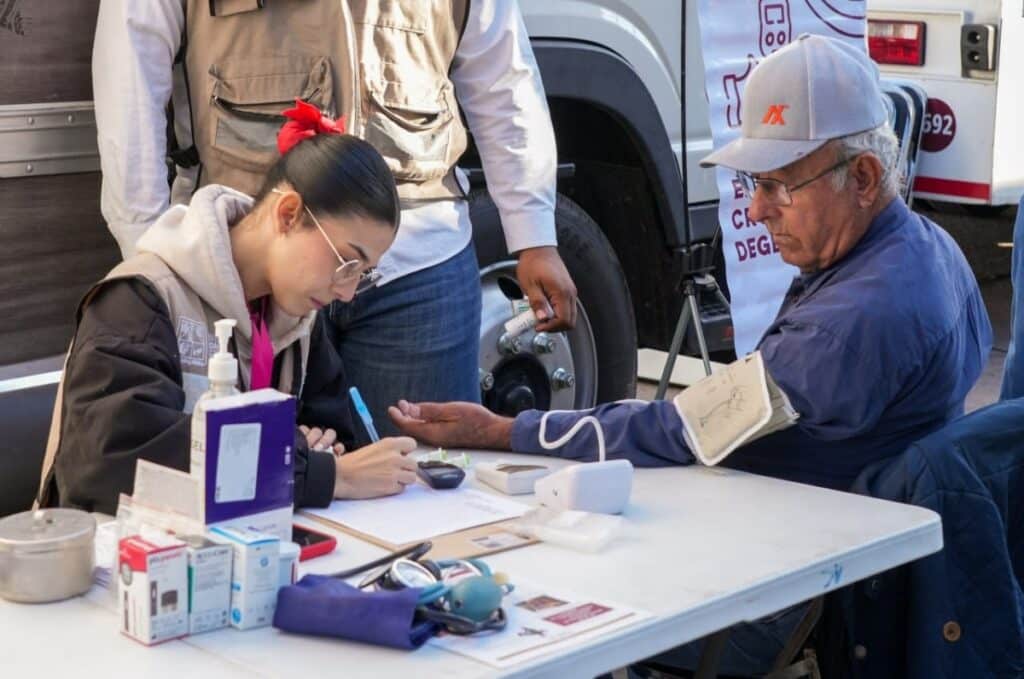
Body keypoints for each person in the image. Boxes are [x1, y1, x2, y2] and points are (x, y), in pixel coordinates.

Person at [388, 35, 992, 675]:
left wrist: (510, 431)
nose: (758, 210)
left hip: (792, 586)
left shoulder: (855, 321)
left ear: (863, 178)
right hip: (831, 546)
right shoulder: (928, 249)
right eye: (753, 185)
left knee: (536, 617)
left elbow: (683, 428)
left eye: (777, 186)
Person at [91, 0, 578, 440]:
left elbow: (503, 76)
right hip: (246, 278)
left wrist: (534, 234)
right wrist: (155, 265)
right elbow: (130, 76)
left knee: (418, 495)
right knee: (243, 503)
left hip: (419, 271)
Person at [37, 107, 419, 515]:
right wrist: (314, 472)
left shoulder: (299, 321)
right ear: (288, 214)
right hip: (119, 563)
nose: (346, 293)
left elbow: (331, 436)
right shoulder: (141, 299)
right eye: (346, 262)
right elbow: (112, 459)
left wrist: (304, 455)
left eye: (362, 275)